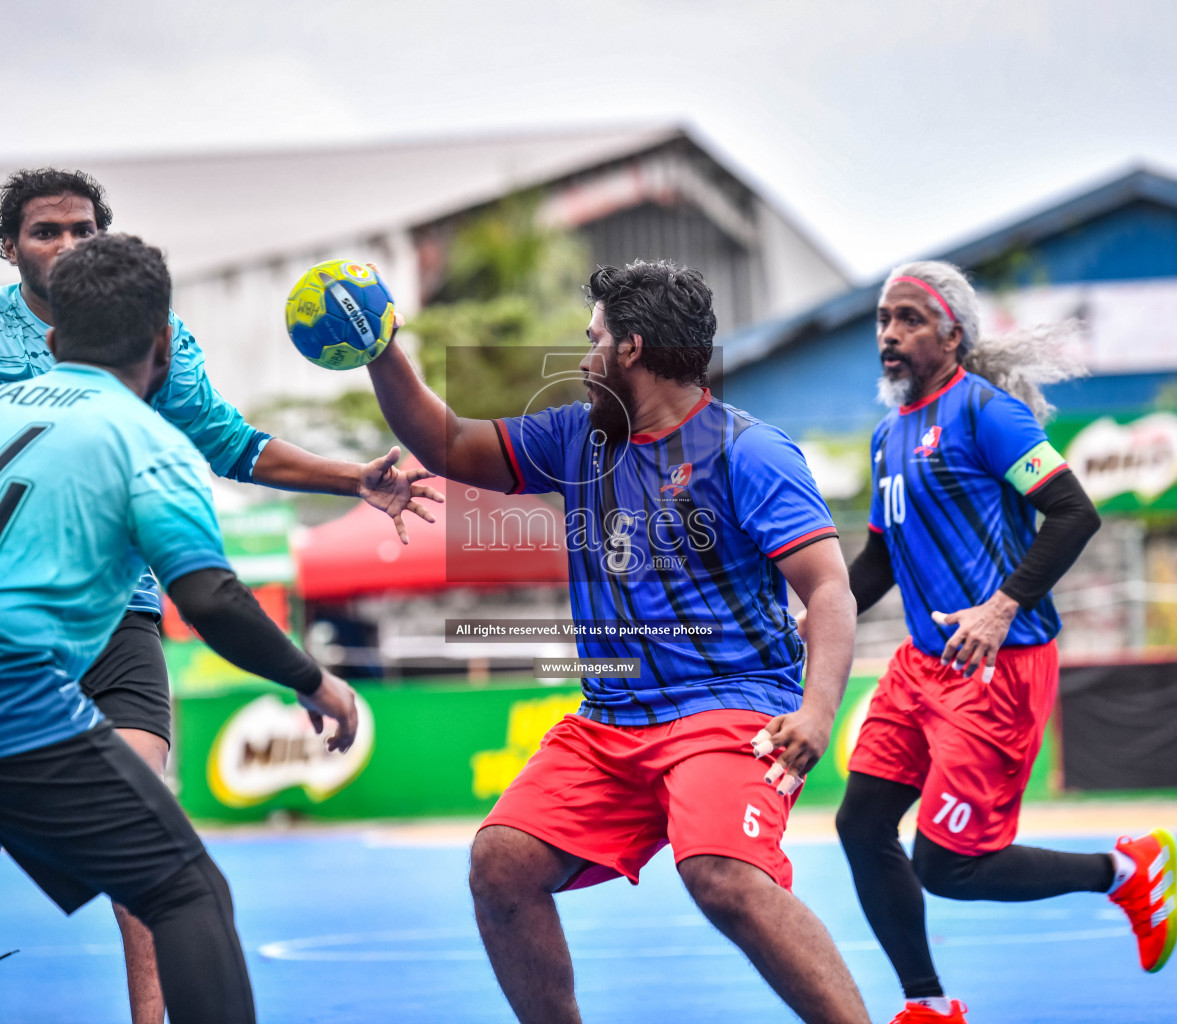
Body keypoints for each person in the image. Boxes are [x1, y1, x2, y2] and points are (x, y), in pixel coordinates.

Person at [0, 168, 438, 1024]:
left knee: (146, 830)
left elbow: (228, 440)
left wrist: (350, 477)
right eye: (45, 232)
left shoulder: (128, 352)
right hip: (1, 616)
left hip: (51, 616)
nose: (66, 246)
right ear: (9, 248)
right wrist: (312, 679)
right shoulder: (0, 348)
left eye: (81, 231)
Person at [363, 259, 870, 1023]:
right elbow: (449, 445)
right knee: (501, 863)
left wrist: (818, 712)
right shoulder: (578, 438)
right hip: (612, 721)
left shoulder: (750, 452)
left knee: (722, 873)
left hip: (729, 710)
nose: (581, 357)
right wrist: (379, 345)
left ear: (629, 349)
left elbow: (829, 589)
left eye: (592, 339)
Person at [824, 260, 1177, 1024]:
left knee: (948, 866)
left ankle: (1124, 869)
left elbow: (1074, 512)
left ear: (952, 335)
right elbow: (882, 558)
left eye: (909, 320)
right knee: (859, 823)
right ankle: (928, 1005)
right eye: (883, 319)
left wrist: (1000, 607)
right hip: (920, 666)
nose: (889, 334)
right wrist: (816, 626)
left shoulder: (988, 414)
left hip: (999, 666)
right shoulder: (889, 434)